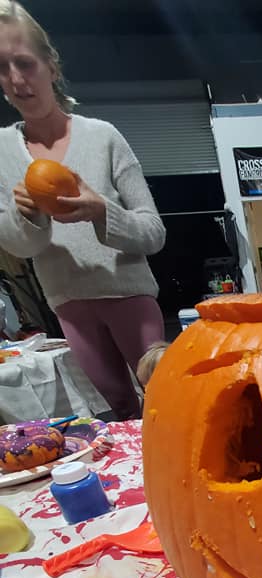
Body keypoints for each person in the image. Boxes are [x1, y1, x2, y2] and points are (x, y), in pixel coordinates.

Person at [0, 1, 166, 420]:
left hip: (129, 293)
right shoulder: (1, 152)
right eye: (2, 68)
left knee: (167, 400)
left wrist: (101, 211)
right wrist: (28, 216)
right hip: (69, 302)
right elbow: (20, 247)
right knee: (118, 413)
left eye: (25, 63)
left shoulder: (103, 137)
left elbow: (153, 233)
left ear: (51, 66)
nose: (16, 80)